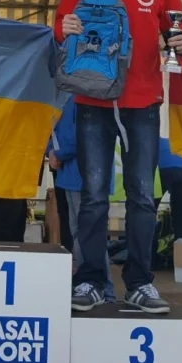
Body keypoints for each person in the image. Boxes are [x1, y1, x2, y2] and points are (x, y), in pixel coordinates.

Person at [55, 0, 182, 314]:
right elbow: (61, 22)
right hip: (93, 100)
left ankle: (140, 283)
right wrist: (67, 27)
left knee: (142, 198)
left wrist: (180, 42)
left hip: (144, 101)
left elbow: (176, 28)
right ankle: (92, 281)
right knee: (93, 196)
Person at [47, 97, 117, 302]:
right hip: (73, 175)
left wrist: (56, 152)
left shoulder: (80, 98)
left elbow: (76, 136)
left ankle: (102, 289)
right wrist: (52, 151)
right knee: (84, 232)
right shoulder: (69, 100)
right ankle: (97, 287)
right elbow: (57, 133)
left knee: (88, 233)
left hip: (83, 176)